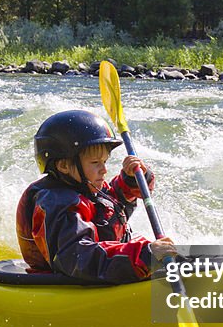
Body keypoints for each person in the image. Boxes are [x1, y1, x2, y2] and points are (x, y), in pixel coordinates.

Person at [16, 110, 177, 283]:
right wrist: (144, 255)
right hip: (71, 280)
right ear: (63, 165)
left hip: (103, 270)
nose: (104, 170)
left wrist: (131, 181)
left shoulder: (86, 186)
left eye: (105, 162)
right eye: (95, 163)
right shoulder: (57, 204)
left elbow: (110, 205)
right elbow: (79, 258)